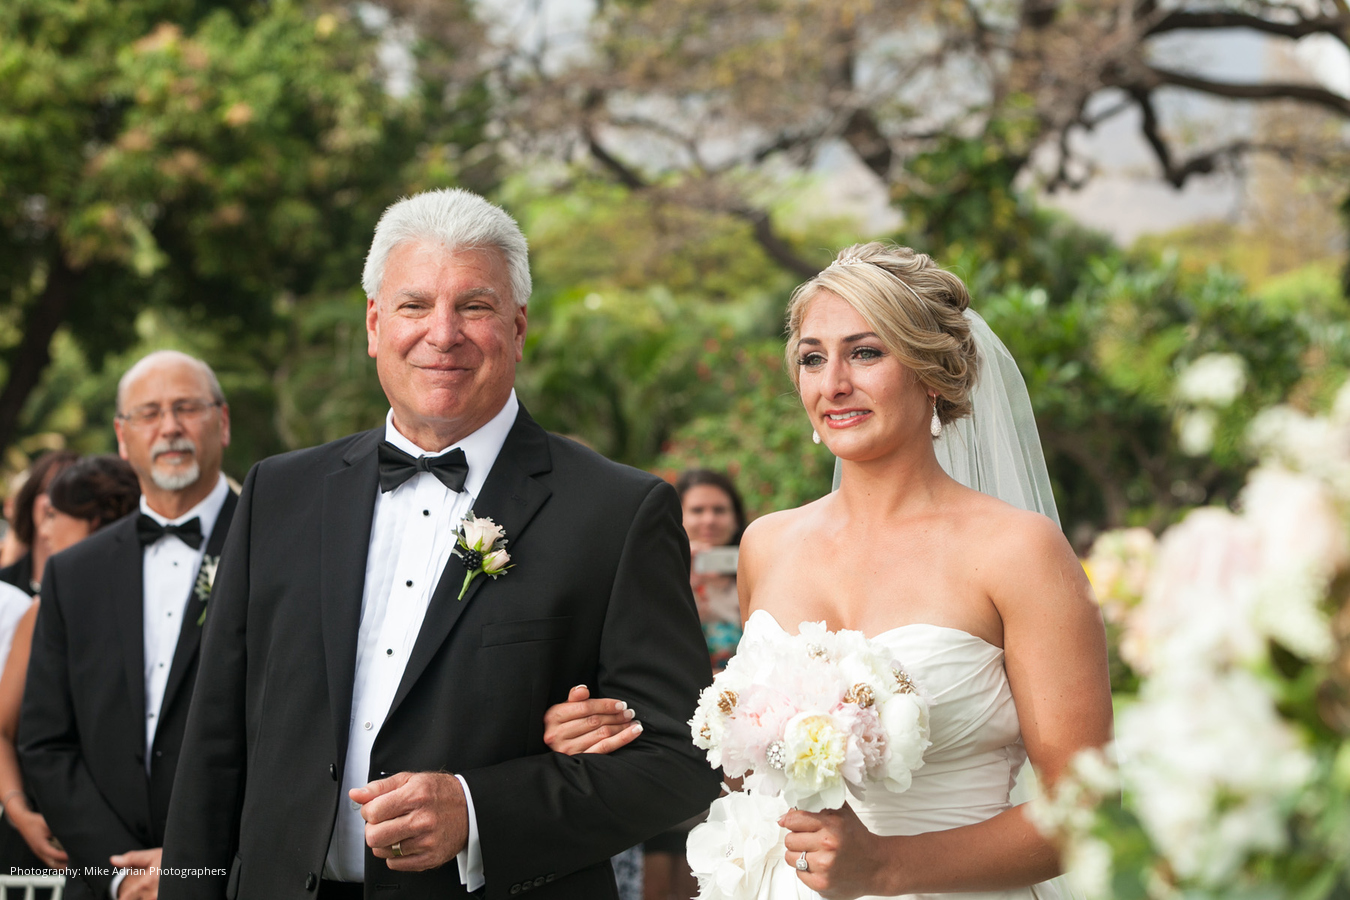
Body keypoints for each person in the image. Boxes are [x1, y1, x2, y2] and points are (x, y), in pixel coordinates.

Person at [159, 188, 720, 900]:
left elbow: (680, 759)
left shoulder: (617, 511)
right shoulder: (278, 493)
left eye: (475, 307)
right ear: (374, 324)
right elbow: (214, 746)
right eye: (415, 305)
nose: (443, 333)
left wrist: (478, 811)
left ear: (518, 328)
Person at [544, 242, 1113, 899]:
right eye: (813, 358)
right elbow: (745, 769)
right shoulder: (767, 543)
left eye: (866, 352)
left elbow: (1086, 811)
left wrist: (889, 868)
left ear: (931, 369)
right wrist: (622, 730)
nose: (833, 383)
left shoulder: (1019, 551)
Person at [19, 352, 237, 900]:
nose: (169, 427)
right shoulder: (73, 573)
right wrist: (120, 873)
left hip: (233, 878)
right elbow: (45, 740)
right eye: (149, 413)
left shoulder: (278, 551)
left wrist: (193, 863)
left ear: (223, 422)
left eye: (187, 408)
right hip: (102, 882)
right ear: (122, 436)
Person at [0, 455, 141, 882]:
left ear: (95, 521)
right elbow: (3, 727)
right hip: (54, 843)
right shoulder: (40, 612)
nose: (44, 530)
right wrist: (18, 810)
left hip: (157, 840)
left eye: (53, 516)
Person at [0, 451, 80, 597]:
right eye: (46, 490)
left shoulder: (94, 586)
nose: (52, 503)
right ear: (30, 500)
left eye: (66, 494)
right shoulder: (4, 584)